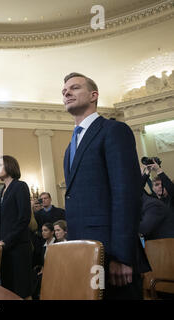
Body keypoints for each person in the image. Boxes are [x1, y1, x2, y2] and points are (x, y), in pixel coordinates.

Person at [62, 72, 150, 299]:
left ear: (94, 95)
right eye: (64, 91)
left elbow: (125, 195)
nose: (66, 93)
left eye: (74, 88)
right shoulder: (69, 149)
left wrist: (122, 256)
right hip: (82, 252)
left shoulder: (113, 130)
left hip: (112, 254)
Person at [0, 155, 34, 299]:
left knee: (20, 290)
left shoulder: (20, 186)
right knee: (7, 289)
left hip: (18, 246)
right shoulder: (1, 192)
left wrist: (6, 241)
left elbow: (24, 218)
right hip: (4, 247)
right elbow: (1, 222)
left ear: (9, 166)